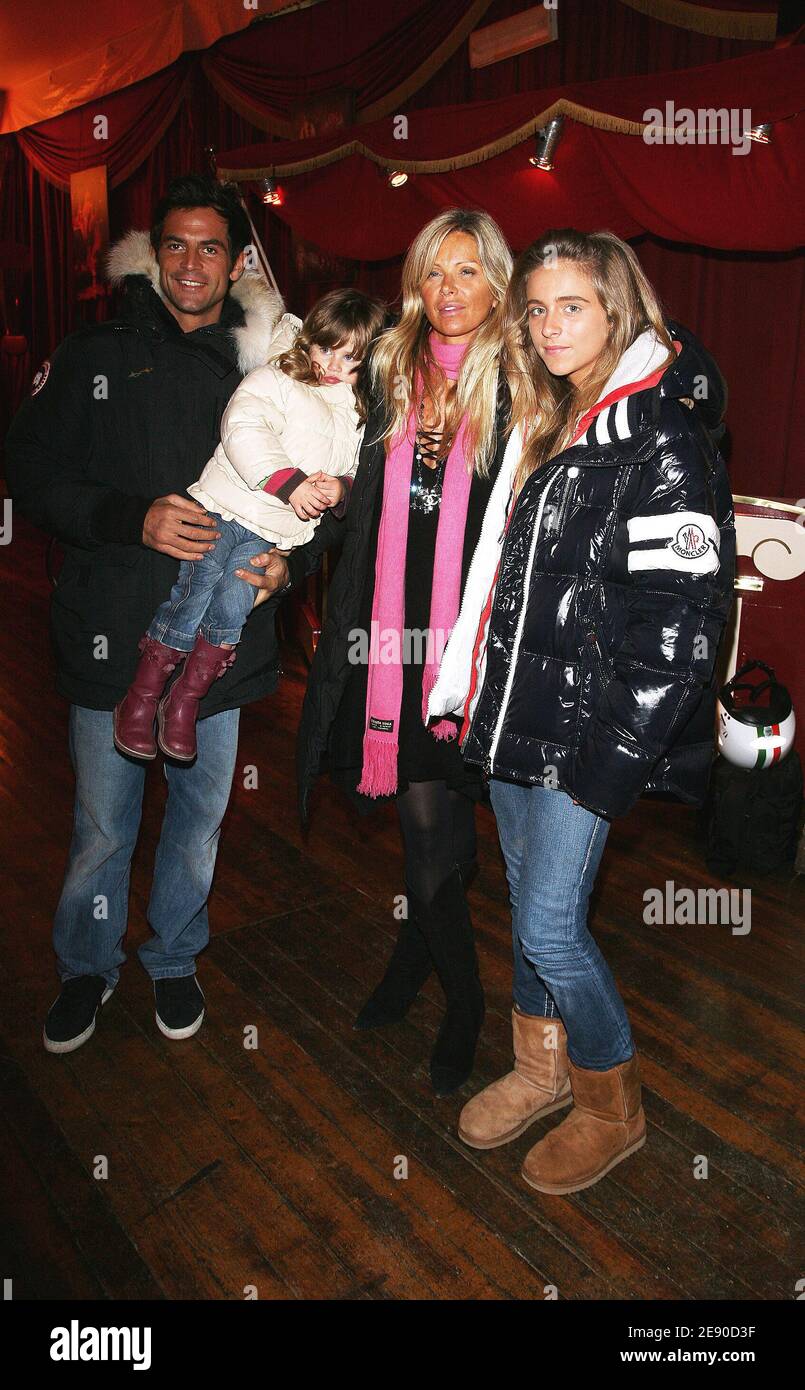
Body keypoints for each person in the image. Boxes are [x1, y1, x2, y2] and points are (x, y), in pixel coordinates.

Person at [428, 228, 735, 1190]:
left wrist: (607, 765)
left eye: (573, 306)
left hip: (587, 737)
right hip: (520, 715)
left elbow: (679, 630)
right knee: (526, 911)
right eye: (537, 307)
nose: (550, 325)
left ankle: (613, 1104)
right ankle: (538, 1068)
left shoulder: (659, 434)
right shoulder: (545, 421)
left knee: (554, 927)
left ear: (617, 311)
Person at [5, 173, 294, 1053]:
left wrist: (290, 559)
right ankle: (88, 967)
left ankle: (174, 958)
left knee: (199, 825)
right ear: (152, 253)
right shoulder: (93, 351)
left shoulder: (275, 364)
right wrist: (133, 516)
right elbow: (33, 473)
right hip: (115, 634)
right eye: (177, 245)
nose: (193, 263)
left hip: (222, 642)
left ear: (239, 259)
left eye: (212, 246)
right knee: (102, 827)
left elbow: (328, 476)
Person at [270, 210, 513, 1096]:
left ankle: (432, 977)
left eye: (467, 272)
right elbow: (323, 464)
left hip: (473, 645)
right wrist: (281, 549)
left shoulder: (523, 381)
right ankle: (459, 995)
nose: (448, 291)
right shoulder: (384, 372)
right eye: (433, 273)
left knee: (448, 830)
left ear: (497, 282)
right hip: (387, 640)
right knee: (425, 828)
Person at [113, 288, 385, 764]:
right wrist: (291, 483)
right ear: (309, 339)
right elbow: (242, 427)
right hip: (224, 506)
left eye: (350, 359)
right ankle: (143, 692)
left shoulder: (353, 412)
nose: (333, 365)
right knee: (194, 594)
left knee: (233, 606)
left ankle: (186, 698)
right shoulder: (277, 374)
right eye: (326, 348)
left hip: (270, 532)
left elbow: (354, 467)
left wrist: (340, 488)